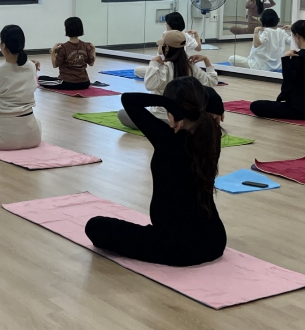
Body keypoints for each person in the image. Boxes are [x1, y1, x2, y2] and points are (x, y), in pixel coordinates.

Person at [85, 77, 226, 266]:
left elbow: (128, 99)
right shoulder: (212, 136)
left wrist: (168, 103)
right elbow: (207, 95)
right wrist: (210, 106)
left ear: (173, 111)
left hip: (177, 246)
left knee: (95, 226)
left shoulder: (166, 138)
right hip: (215, 240)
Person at [119, 30, 217, 128]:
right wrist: (206, 60)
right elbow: (212, 81)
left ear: (167, 48)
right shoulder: (191, 66)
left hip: (161, 119)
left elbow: (149, 85)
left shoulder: (163, 67)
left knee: (122, 114)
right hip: (184, 119)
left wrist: (153, 63)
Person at [135, 12, 201, 78]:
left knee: (138, 70)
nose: (166, 25)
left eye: (166, 23)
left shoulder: (166, 34)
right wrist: (196, 34)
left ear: (170, 25)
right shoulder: (185, 35)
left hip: (166, 66)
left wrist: (163, 38)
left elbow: (160, 51)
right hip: (180, 66)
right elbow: (198, 48)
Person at [38, 17, 96, 91]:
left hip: (68, 83)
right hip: (85, 83)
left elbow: (55, 65)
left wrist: (53, 52)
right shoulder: (86, 46)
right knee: (53, 79)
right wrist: (93, 50)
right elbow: (91, 63)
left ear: (67, 29)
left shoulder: (63, 47)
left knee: (40, 79)